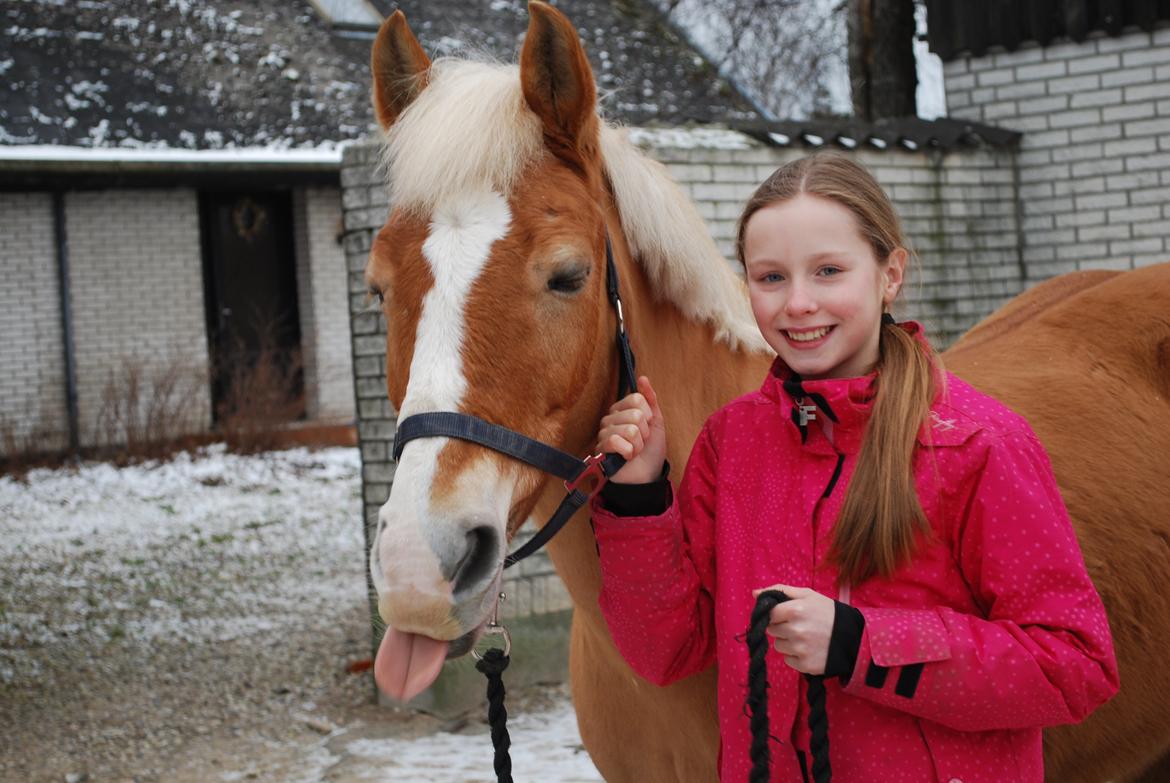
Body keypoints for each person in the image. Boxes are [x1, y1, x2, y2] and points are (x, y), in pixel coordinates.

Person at [589, 153, 1119, 782]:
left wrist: (860, 644)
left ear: (890, 274)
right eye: (771, 277)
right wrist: (639, 497)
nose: (798, 303)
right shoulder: (731, 443)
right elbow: (665, 652)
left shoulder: (979, 445)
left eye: (829, 271)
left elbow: (1074, 666)